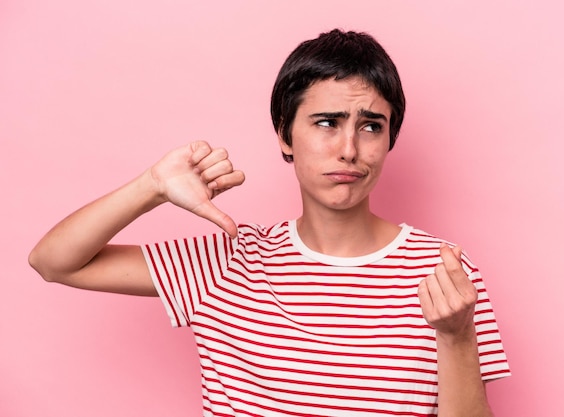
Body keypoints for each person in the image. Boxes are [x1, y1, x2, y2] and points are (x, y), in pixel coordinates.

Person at [29, 29, 510, 416]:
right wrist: (151, 186)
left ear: (388, 140)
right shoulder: (228, 260)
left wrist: (455, 336)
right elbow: (54, 262)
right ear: (285, 135)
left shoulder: (444, 271)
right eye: (326, 122)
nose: (349, 148)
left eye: (370, 126)